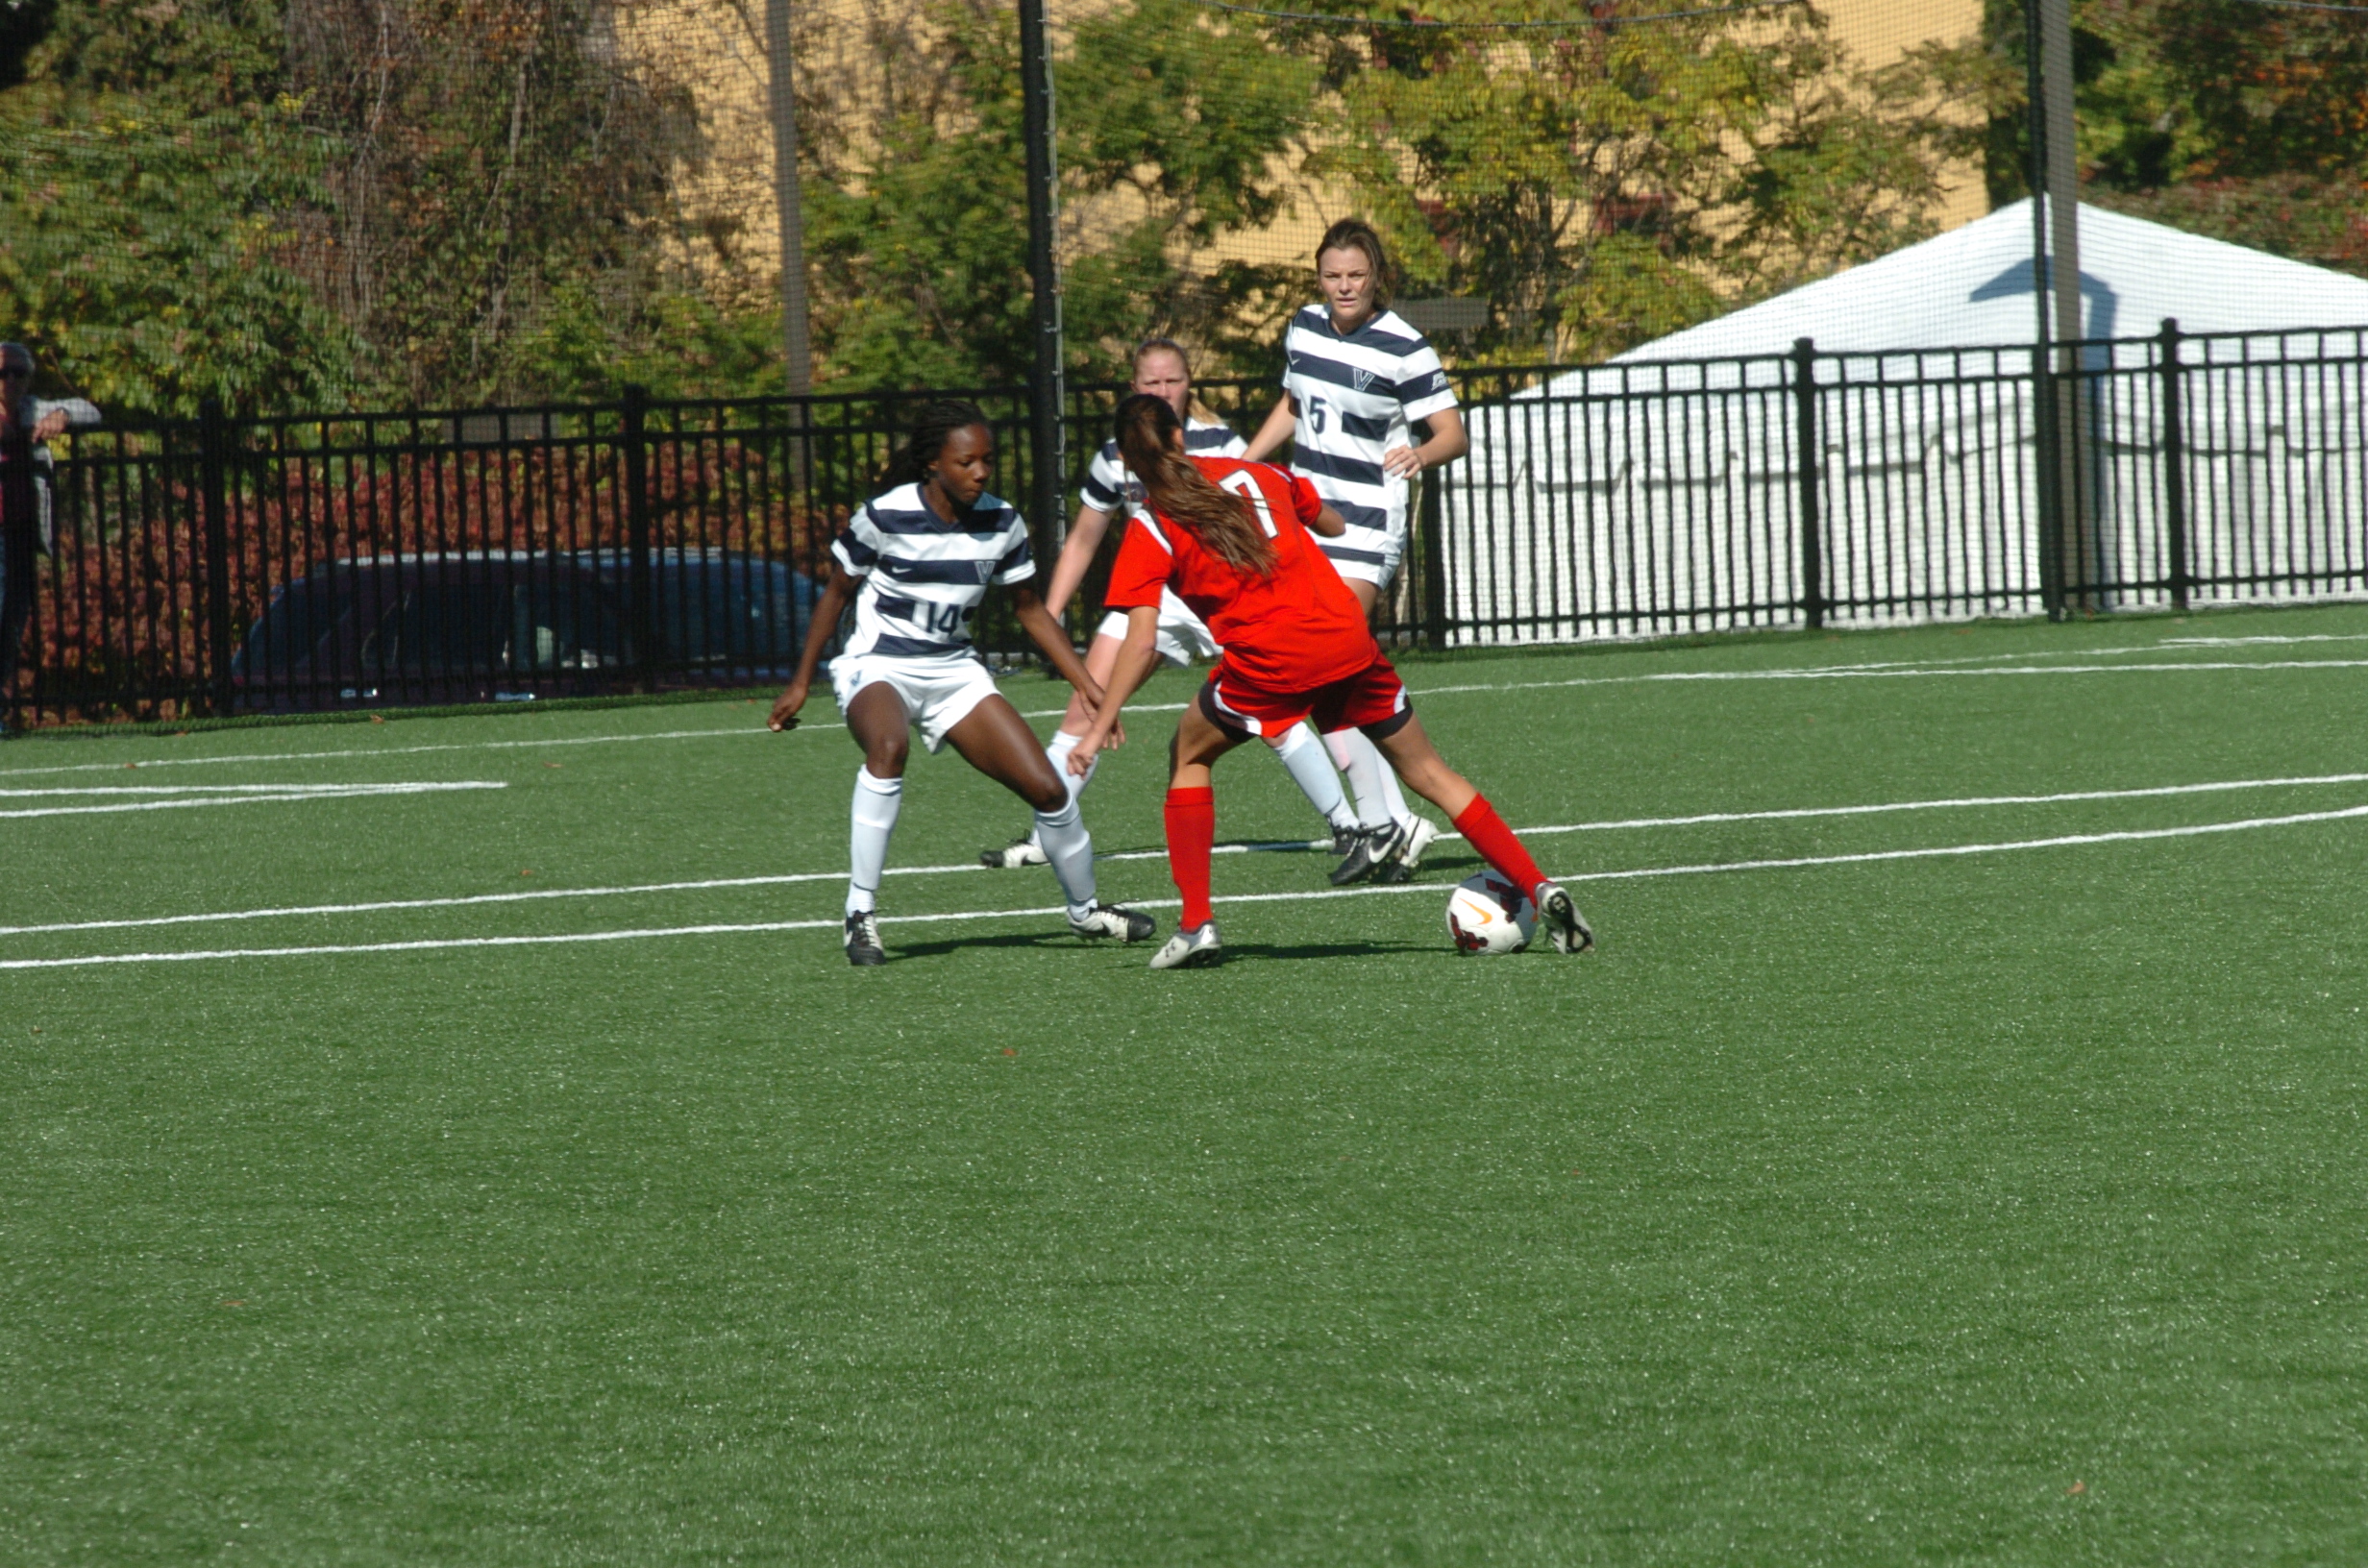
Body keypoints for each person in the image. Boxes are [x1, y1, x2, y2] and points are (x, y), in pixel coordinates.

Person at [1073, 393, 1591, 970]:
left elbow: (1140, 640)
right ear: (1180, 436)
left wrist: (1098, 726)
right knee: (1429, 773)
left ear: (1125, 460)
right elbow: (1332, 523)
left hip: (1273, 660)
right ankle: (1539, 885)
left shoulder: (1151, 526)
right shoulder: (1259, 473)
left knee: (1189, 754)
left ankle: (1196, 924)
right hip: (1345, 637)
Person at [768, 401, 1155, 965]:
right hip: (879, 665)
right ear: (933, 463)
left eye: (987, 461)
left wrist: (1090, 688)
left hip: (954, 672)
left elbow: (1030, 610)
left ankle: (1086, 911)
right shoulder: (884, 515)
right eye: (966, 461)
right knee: (888, 748)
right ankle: (860, 913)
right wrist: (801, 682)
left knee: (1049, 790)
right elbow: (836, 593)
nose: (980, 472)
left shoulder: (1003, 522)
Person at [980, 336, 1360, 870]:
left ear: (1189, 385)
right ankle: (1049, 834)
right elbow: (1085, 539)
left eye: (1173, 380)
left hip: (1222, 592)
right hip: (1159, 594)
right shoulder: (1116, 455)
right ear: (1134, 387)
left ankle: (1349, 824)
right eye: (1152, 382)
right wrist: (1052, 616)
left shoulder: (1220, 442)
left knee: (1275, 713)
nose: (1163, 390)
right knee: (1085, 703)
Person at [1242, 218, 1470, 885]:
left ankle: (1383, 822)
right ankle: (1392, 823)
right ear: (1319, 277)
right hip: (1308, 521)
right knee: (1329, 681)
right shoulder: (1304, 326)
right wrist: (1245, 466)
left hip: (1369, 526)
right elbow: (1293, 404)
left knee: (1324, 661)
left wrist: (1421, 454)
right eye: (1332, 276)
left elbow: (1453, 434)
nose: (1344, 287)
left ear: (1376, 279)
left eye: (1356, 276)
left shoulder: (1405, 347)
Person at [0, 343, 99, 726]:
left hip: (22, 534)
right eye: (2, 373)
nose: (10, 380)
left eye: (19, 373)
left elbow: (91, 410)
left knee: (12, 623)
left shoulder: (32, 410)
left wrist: (62, 415)